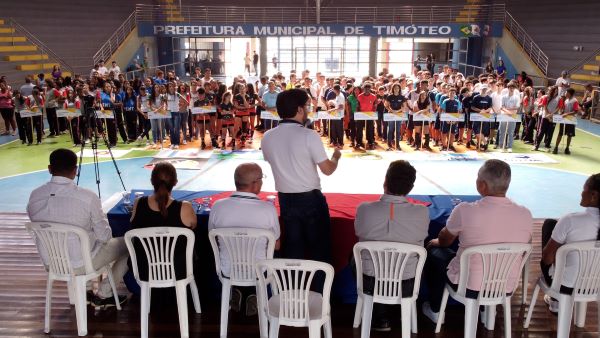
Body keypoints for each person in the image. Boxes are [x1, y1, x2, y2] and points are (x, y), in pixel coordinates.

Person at [422, 159, 532, 323]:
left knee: (434, 251)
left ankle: (436, 309)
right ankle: (487, 311)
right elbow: (524, 248)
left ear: (482, 185)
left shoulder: (465, 210)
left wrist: (435, 242)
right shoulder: (525, 214)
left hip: (468, 284)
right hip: (504, 286)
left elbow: (444, 240)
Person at [27, 149, 128, 308]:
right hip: (80, 263)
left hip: (51, 262)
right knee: (130, 243)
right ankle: (105, 293)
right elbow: (104, 237)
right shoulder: (87, 197)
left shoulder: (35, 195)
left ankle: (87, 291)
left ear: (49, 168)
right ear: (76, 171)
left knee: (82, 242)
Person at [261, 88, 341, 288]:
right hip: (310, 200)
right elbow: (327, 170)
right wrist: (336, 157)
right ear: (298, 109)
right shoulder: (309, 135)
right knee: (319, 251)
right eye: (306, 106)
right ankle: (320, 298)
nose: (307, 110)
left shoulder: (267, 137)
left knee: (293, 251)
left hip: (286, 199)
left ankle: (293, 295)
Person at [354, 160, 429, 331]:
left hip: (371, 282)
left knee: (356, 257)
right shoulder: (422, 212)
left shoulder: (364, 209)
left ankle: (381, 317)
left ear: (385, 182)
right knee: (422, 257)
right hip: (407, 283)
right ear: (410, 188)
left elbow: (358, 232)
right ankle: (405, 310)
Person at [208, 162, 280, 316]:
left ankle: (240, 290)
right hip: (259, 271)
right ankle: (253, 292)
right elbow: (277, 245)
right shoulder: (268, 209)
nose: (262, 182)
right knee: (266, 253)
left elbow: (213, 238)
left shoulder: (217, 207)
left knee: (236, 252)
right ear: (254, 185)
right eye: (261, 179)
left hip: (227, 269)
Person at [539, 173, 600, 312]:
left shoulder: (570, 220)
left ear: (594, 195)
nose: (581, 192)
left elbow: (547, 258)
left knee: (550, 224)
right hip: (595, 286)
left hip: (565, 287)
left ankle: (556, 301)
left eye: (584, 189)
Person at [130, 162, 197, 281]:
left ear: (152, 181)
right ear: (175, 182)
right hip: (178, 270)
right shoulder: (185, 207)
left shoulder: (138, 203)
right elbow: (194, 225)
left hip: (145, 269)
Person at [553, 88, 579, 155]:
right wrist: (562, 112)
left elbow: (576, 111)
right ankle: (556, 148)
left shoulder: (575, 101)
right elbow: (563, 109)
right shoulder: (566, 100)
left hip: (571, 120)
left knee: (569, 135)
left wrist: (566, 114)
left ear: (570, 93)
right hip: (564, 119)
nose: (565, 93)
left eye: (566, 92)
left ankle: (567, 148)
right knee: (560, 133)